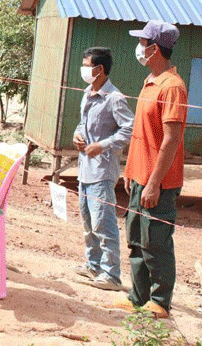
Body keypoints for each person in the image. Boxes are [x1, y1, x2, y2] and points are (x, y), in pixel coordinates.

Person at [110, 21, 187, 319]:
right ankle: (138, 297)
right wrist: (130, 171)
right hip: (140, 176)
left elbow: (171, 139)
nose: (139, 48)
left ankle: (160, 301)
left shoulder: (172, 87)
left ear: (155, 48)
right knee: (136, 239)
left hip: (160, 181)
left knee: (155, 241)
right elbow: (141, 134)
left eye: (143, 43)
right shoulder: (150, 81)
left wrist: (154, 182)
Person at [72, 47, 134, 291]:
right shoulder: (87, 93)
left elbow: (129, 129)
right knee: (88, 222)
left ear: (99, 69)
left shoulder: (114, 98)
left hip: (102, 171)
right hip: (84, 169)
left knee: (103, 223)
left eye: (86, 65)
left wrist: (103, 145)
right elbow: (83, 123)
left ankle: (111, 274)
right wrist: (77, 135)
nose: (83, 69)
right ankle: (93, 265)